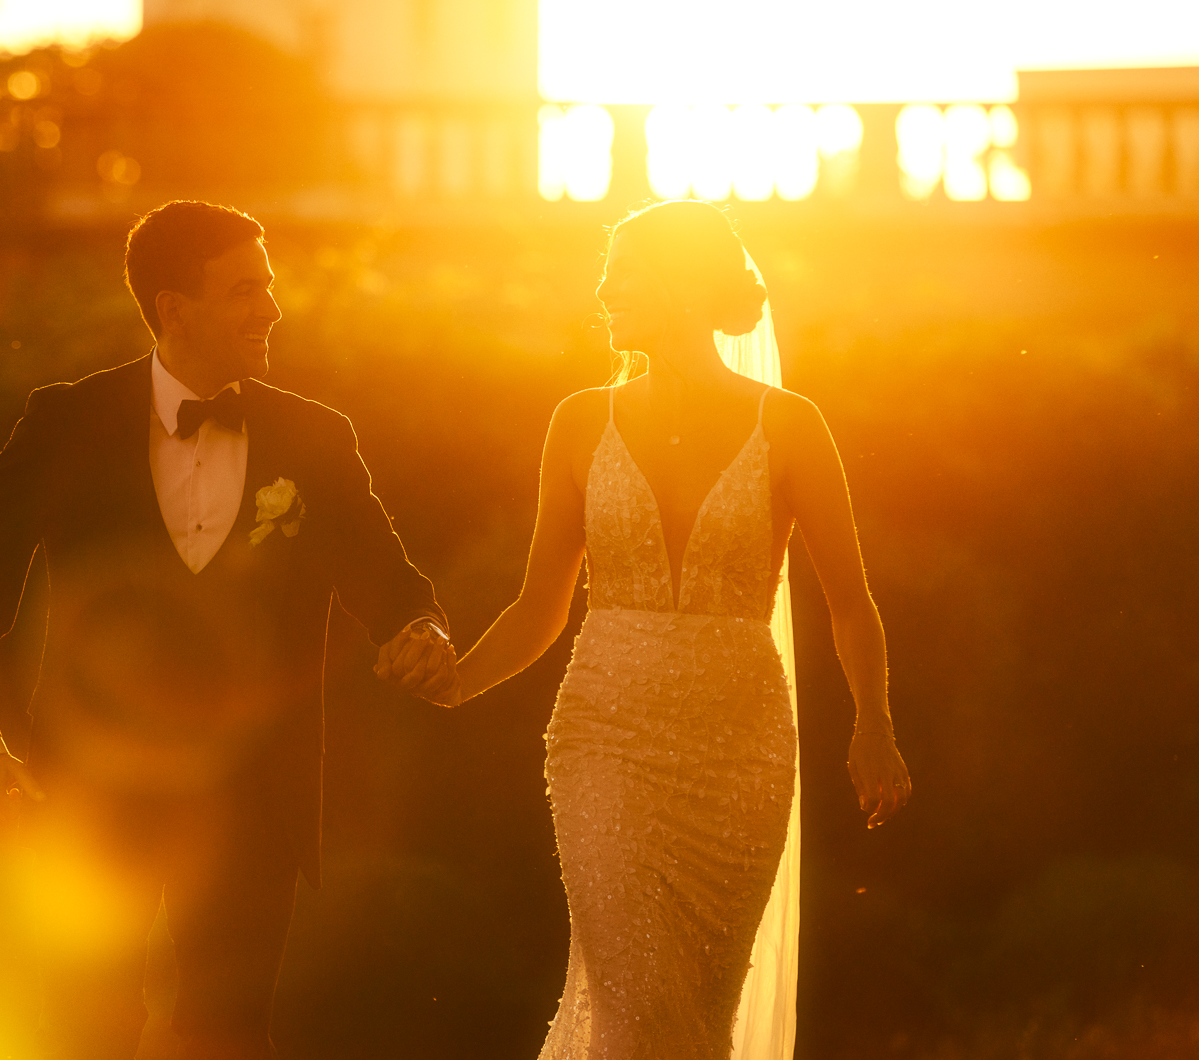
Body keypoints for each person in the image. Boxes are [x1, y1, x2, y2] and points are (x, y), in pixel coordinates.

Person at [381, 199, 910, 1059]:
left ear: (682, 280)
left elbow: (851, 600)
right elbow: (541, 604)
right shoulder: (579, 421)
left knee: (696, 1010)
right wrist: (459, 680)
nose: (602, 290)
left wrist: (873, 722)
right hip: (604, 740)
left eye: (622, 271)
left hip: (740, 751)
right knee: (635, 1000)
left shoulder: (791, 425)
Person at [0, 199, 458, 1060]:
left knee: (232, 1037)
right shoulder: (65, 422)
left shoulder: (317, 437)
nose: (272, 309)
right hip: (89, 795)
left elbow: (394, 588)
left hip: (258, 800)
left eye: (270, 287)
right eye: (245, 289)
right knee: (82, 1034)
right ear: (175, 308)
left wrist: (423, 631)